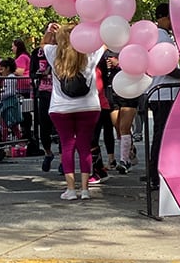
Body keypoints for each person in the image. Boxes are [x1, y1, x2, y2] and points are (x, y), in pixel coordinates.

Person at [44, 22, 104, 200]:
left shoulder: (53, 53)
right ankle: (85, 190)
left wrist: (50, 32)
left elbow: (43, 44)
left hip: (61, 107)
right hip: (89, 106)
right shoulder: (90, 53)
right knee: (85, 147)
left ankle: (70, 189)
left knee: (67, 146)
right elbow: (105, 41)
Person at [145, 3, 180, 191]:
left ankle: (157, 172)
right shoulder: (161, 37)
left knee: (162, 135)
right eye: (171, 18)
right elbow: (167, 68)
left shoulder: (160, 36)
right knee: (162, 135)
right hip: (163, 93)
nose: (173, 22)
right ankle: (155, 174)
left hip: (161, 92)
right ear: (163, 17)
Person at [103, 49, 139, 175]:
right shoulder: (104, 49)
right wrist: (105, 65)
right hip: (112, 92)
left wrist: (118, 63)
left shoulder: (129, 46)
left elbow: (137, 66)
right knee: (118, 128)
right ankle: (130, 149)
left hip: (128, 91)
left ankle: (124, 161)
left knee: (124, 127)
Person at [30, 24, 57, 171]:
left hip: (59, 94)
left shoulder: (62, 51)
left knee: (60, 128)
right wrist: (39, 75)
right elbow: (31, 72)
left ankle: (64, 159)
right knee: (44, 127)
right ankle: (48, 152)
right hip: (44, 92)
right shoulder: (37, 53)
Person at [0, 57, 23, 145]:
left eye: (2, 69)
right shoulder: (9, 78)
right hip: (8, 102)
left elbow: (10, 91)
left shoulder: (10, 78)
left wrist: (0, 94)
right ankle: (15, 140)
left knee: (9, 122)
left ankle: (6, 140)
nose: (1, 72)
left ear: (7, 68)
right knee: (8, 123)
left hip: (9, 102)